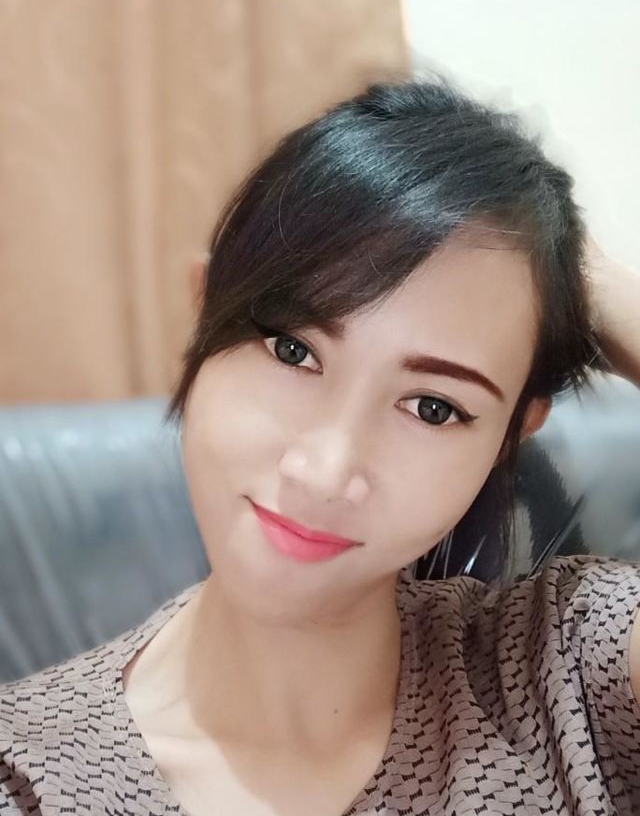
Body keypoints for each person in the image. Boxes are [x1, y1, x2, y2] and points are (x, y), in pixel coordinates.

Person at [1, 76, 640, 816]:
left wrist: (577, 271)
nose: (324, 472)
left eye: (432, 407)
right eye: (293, 351)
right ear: (206, 315)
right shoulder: (31, 774)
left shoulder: (566, 670)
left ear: (508, 437)